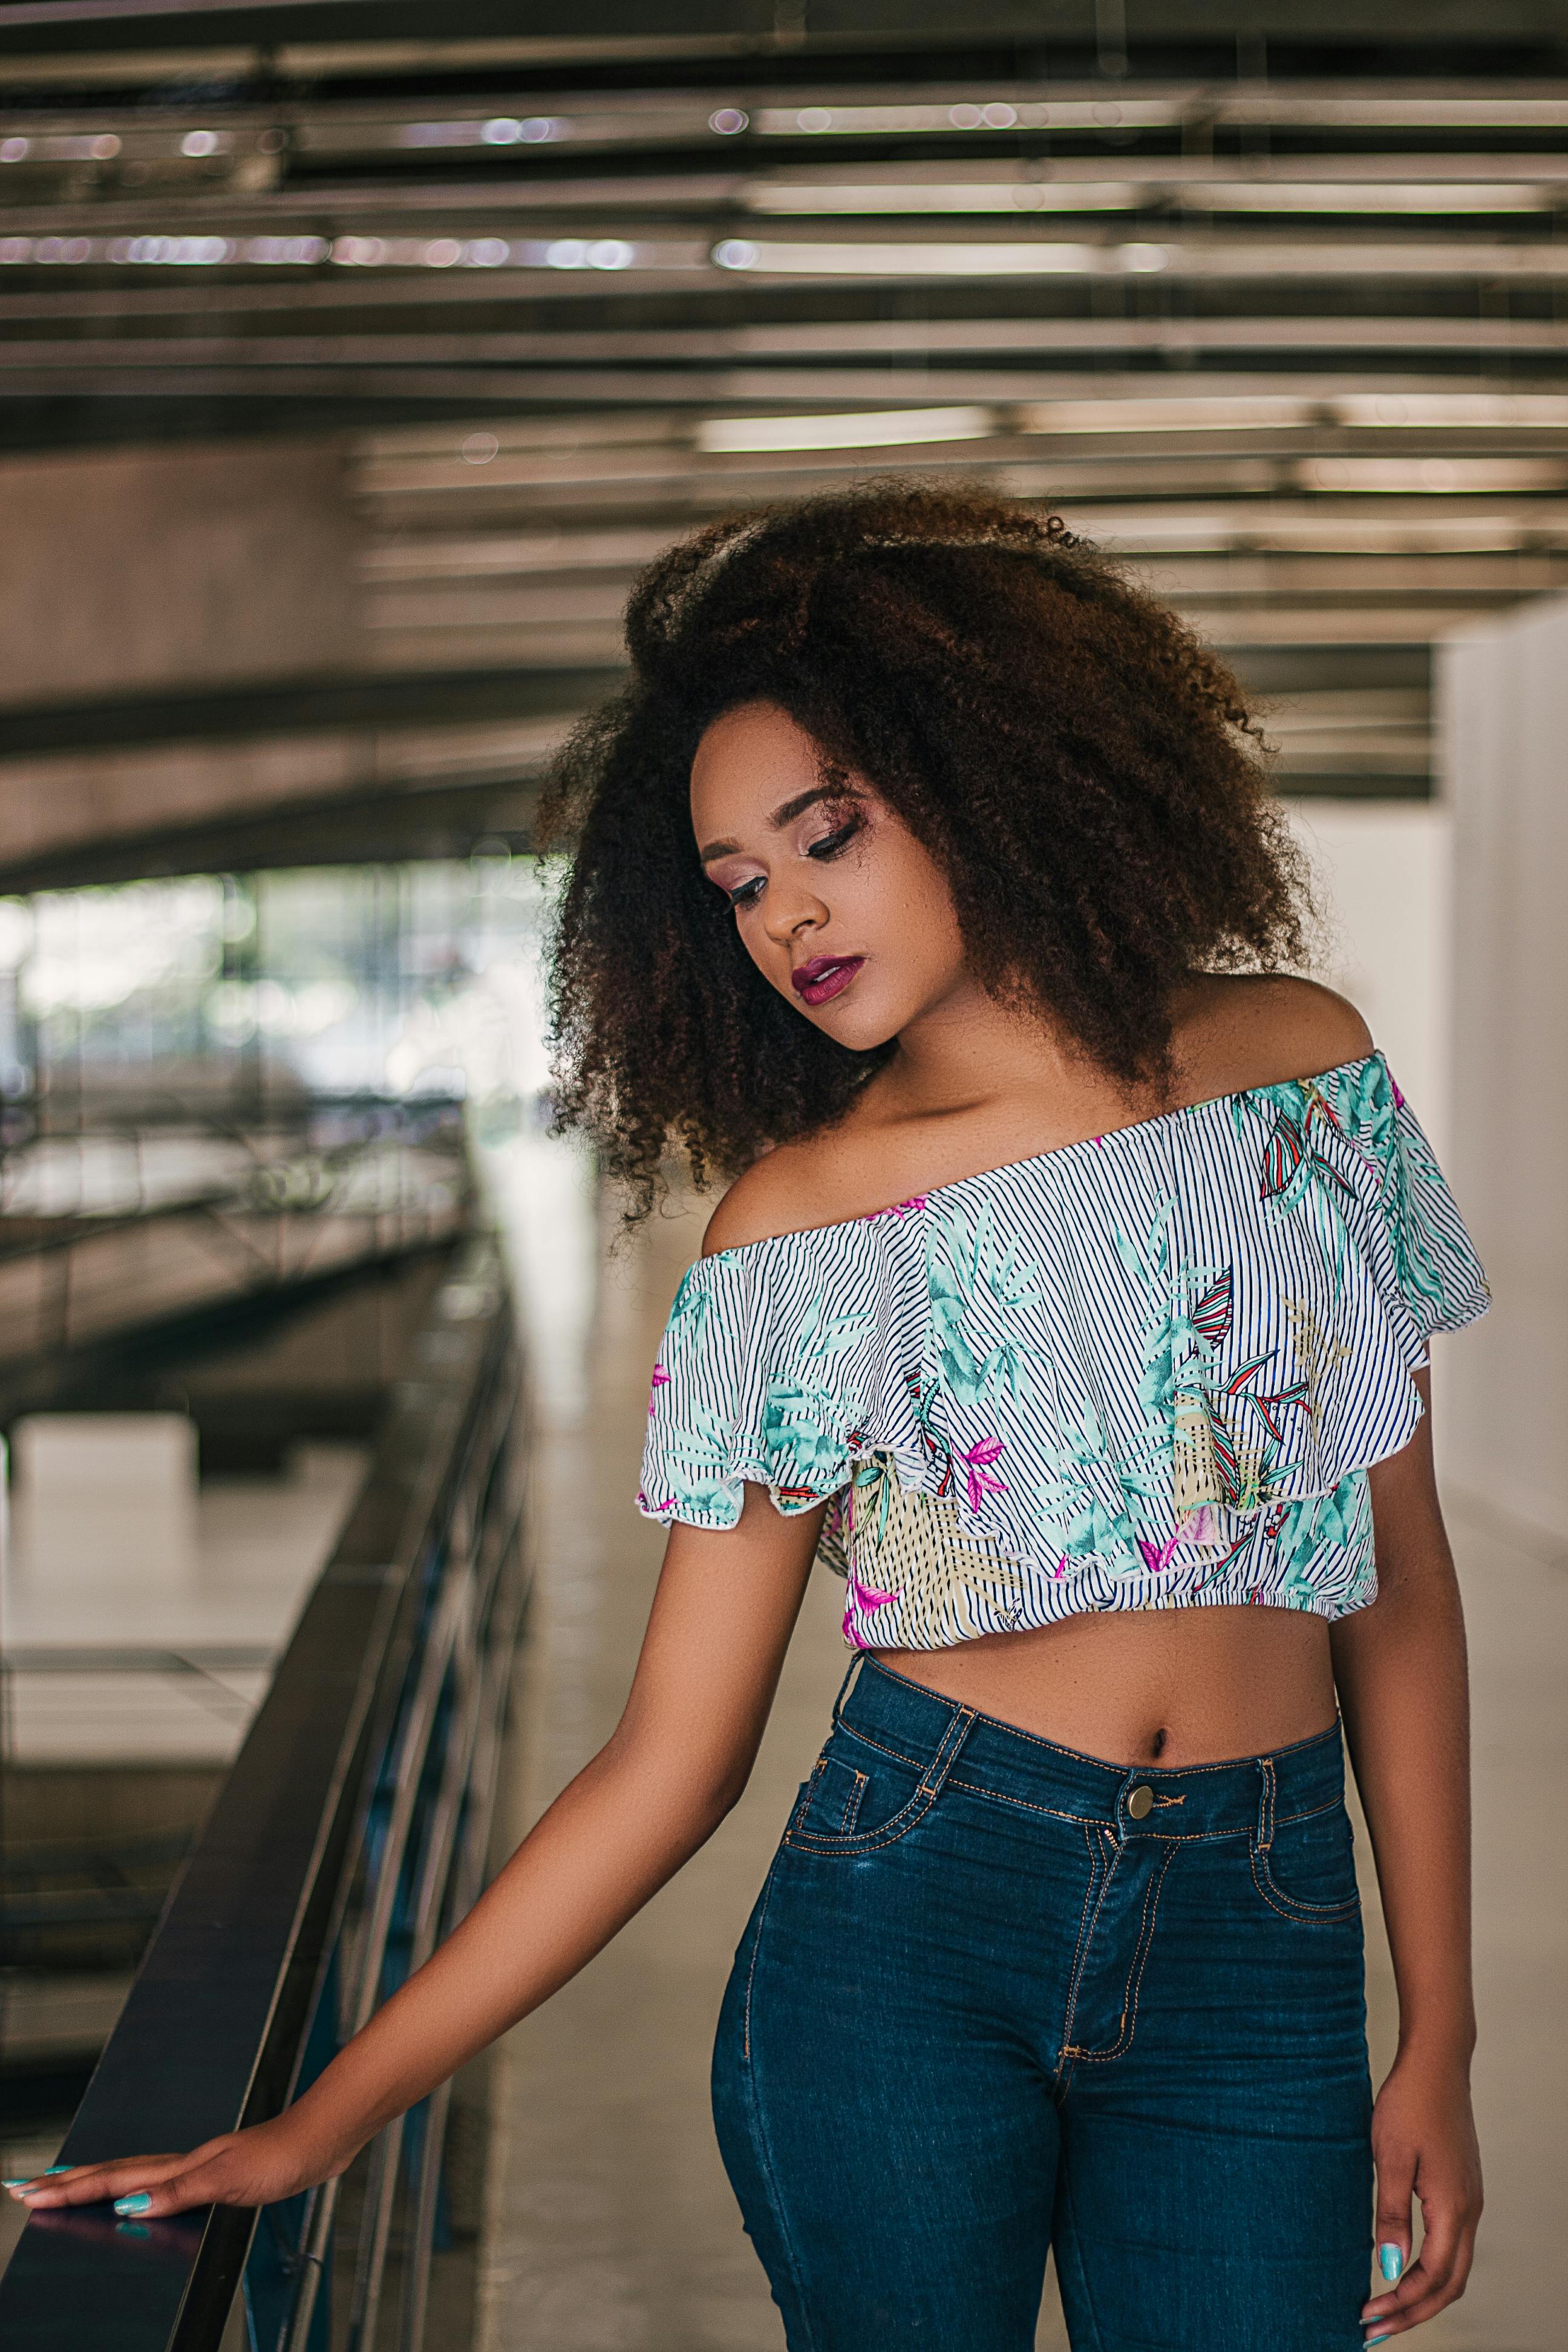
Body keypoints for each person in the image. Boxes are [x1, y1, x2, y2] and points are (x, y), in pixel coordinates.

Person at [7, 484, 1488, 2351]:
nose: (787, 914)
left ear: (994, 774)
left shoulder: (1302, 1063)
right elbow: (670, 1761)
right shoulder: (799, 1226)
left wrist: (1438, 2035)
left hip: (1260, 1929)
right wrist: (327, 2116)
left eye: (827, 839)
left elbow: (1401, 1587)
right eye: (737, 884)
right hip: (914, 1927)